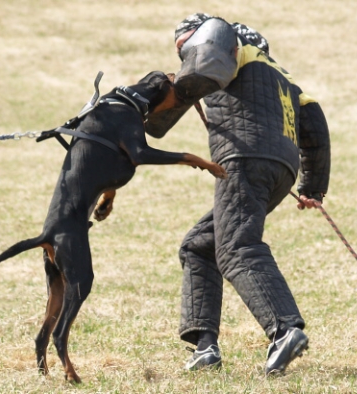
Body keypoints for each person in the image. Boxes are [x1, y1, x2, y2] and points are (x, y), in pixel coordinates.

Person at [145, 13, 331, 375]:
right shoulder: (284, 77)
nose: (184, 56)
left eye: (186, 47)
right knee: (200, 244)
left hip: (246, 159)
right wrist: (313, 187)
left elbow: (194, 72)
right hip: (280, 170)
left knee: (236, 247)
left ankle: (284, 330)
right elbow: (315, 122)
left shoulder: (226, 48)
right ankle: (205, 347)